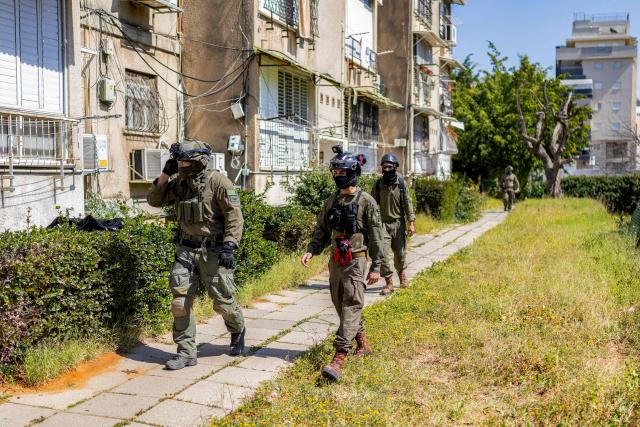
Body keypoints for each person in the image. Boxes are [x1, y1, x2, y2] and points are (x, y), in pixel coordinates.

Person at [147, 141, 246, 370]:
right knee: (180, 302)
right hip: (186, 249)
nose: (180, 165)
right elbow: (154, 200)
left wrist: (230, 245)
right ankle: (186, 352)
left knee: (223, 302)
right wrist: (165, 174)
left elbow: (234, 216)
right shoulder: (179, 182)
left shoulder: (218, 181)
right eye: (178, 160)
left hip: (213, 249)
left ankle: (237, 329)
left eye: (184, 161)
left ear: (199, 160)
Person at [301, 146, 384, 382]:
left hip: (356, 262)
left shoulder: (367, 202)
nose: (338, 175)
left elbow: (377, 236)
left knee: (351, 306)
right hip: (336, 262)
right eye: (335, 172)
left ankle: (338, 358)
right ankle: (363, 344)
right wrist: (311, 250)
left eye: (342, 171)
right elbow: (322, 230)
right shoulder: (331, 201)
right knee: (341, 306)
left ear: (353, 172)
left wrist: (377, 266)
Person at [371, 153, 416, 295]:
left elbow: (408, 203)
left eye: (390, 167)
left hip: (398, 224)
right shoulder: (378, 184)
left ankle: (402, 275)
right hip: (383, 225)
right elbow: (372, 205)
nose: (387, 170)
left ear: (395, 167)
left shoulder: (401, 184)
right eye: (384, 167)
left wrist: (411, 223)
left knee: (400, 254)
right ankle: (389, 283)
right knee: (382, 254)